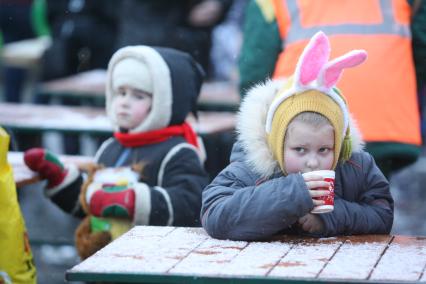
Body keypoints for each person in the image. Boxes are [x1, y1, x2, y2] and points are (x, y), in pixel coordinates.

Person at [201, 31, 393, 240]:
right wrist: (293, 193)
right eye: (300, 150)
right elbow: (215, 216)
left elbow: (382, 215)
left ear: (339, 145)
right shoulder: (252, 169)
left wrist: (329, 218)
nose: (312, 162)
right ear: (277, 143)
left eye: (324, 150)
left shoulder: (356, 167)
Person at [24, 45, 209, 258]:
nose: (124, 102)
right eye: (121, 92)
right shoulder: (111, 147)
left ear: (164, 102)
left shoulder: (179, 151)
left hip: (152, 261)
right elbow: (92, 206)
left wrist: (132, 201)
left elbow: (190, 206)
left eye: (138, 96)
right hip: (103, 258)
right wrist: (61, 180)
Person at [238, 0, 426, 178]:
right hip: (385, 124)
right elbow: (421, 46)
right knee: (369, 200)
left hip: (300, 133)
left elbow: (255, 69)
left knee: (304, 202)